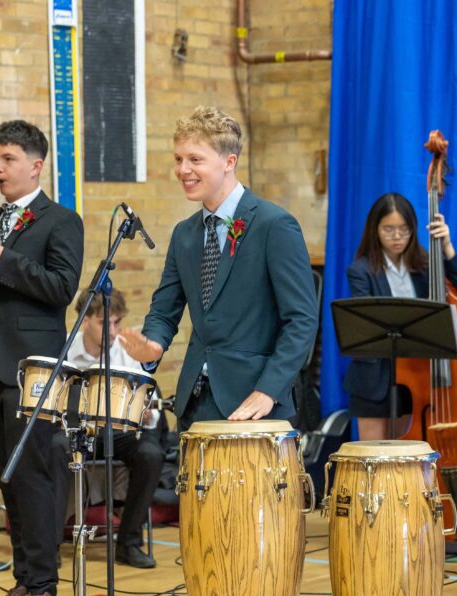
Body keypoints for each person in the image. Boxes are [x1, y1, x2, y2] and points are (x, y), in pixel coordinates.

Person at [119, 106, 318, 429]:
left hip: (255, 404)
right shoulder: (185, 234)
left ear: (229, 162)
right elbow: (164, 310)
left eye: (195, 159)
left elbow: (302, 320)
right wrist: (152, 345)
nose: (183, 170)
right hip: (195, 402)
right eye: (178, 159)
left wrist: (269, 389)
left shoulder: (274, 225)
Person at [0, 120, 83, 596]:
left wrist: (2, 258)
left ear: (36, 165)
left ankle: (45, 591)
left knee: (35, 477)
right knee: (7, 478)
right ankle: (23, 582)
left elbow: (62, 288)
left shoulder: (61, 220)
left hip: (32, 369)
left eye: (7, 159)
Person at [343, 193, 457, 440]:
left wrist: (446, 246)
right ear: (375, 230)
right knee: (374, 458)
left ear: (413, 230)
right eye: (388, 229)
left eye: (404, 229)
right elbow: (368, 323)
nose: (397, 237)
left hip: (414, 375)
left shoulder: (424, 264)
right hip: (375, 377)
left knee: (405, 460)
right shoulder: (360, 270)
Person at [66, 291, 164, 569]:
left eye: (117, 323)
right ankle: (49, 546)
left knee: (150, 454)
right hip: (77, 431)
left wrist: (146, 414)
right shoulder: (66, 348)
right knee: (50, 449)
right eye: (104, 323)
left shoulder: (126, 351)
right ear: (85, 320)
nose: (113, 331)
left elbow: (149, 406)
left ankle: (129, 542)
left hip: (116, 430)